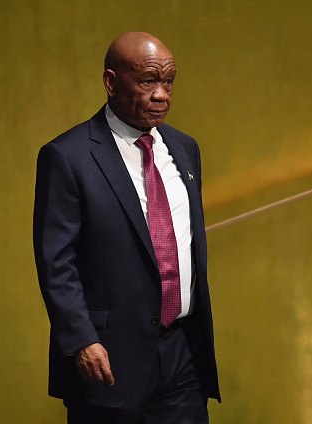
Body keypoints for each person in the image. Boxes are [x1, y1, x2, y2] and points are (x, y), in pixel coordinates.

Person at [33, 32, 220, 424]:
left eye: (168, 82)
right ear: (111, 81)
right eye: (148, 81)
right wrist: (81, 338)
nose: (162, 95)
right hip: (109, 360)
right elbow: (56, 262)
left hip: (183, 354)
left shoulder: (186, 149)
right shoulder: (67, 157)